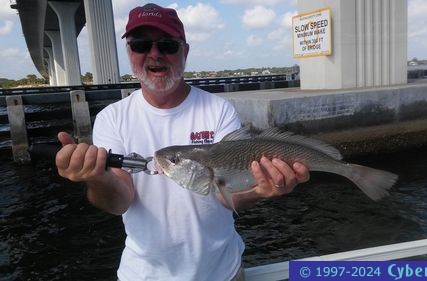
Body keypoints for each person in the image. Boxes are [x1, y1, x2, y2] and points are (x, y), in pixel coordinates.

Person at [55, 3, 309, 281]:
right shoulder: (111, 119)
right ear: (129, 52)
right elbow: (120, 202)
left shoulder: (218, 110)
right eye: (140, 44)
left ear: (184, 51)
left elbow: (227, 197)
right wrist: (96, 177)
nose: (154, 54)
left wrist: (262, 190)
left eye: (167, 45)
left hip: (223, 273)